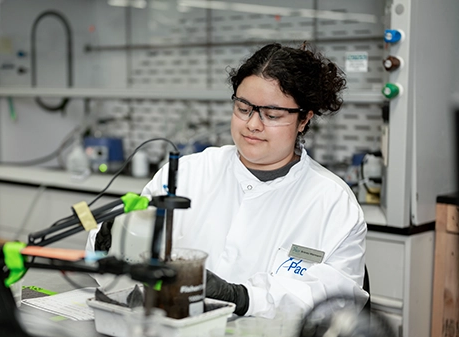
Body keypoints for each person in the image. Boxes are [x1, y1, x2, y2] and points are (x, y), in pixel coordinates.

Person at [88, 42, 368, 318]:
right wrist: (108, 239)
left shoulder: (332, 201)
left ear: (304, 119)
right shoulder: (188, 172)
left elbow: (339, 302)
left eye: (271, 115)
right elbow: (121, 256)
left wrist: (242, 297)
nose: (253, 124)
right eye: (243, 108)